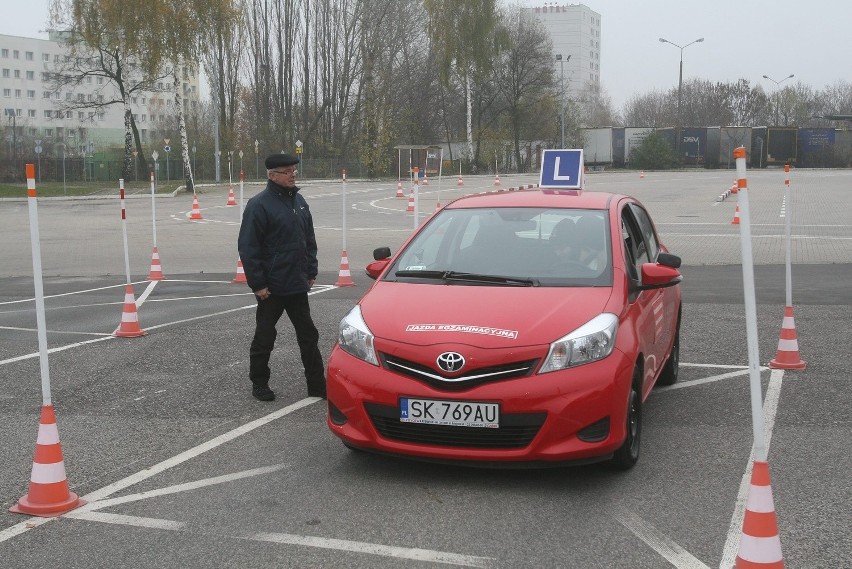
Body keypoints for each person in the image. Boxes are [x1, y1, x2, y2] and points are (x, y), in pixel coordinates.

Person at [237, 153, 326, 401]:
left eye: (293, 171)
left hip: (297, 283)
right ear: (272, 175)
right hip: (272, 288)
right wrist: (258, 283)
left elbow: (309, 239)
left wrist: (311, 270)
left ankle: (317, 385)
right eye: (287, 171)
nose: (292, 175)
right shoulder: (259, 205)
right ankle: (259, 383)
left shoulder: (299, 202)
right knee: (265, 336)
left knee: (308, 336)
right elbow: (248, 247)